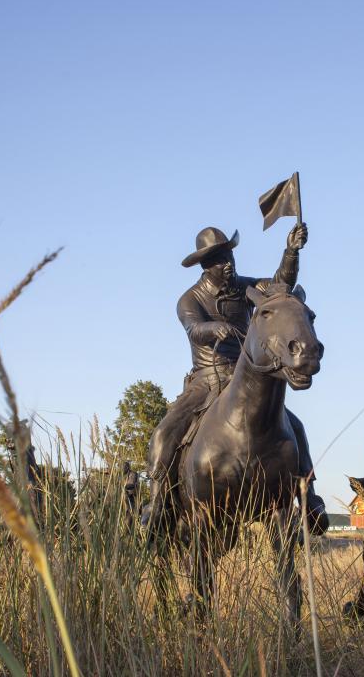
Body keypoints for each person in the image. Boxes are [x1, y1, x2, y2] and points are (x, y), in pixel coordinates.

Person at [144, 222, 328, 532]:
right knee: (164, 433)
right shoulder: (190, 299)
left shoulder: (246, 288)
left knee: (294, 426)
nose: (227, 265)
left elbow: (281, 287)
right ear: (206, 266)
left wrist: (291, 252)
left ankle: (309, 498)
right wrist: (211, 328)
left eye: (229, 257)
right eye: (219, 260)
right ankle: (158, 502)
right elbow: (193, 328)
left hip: (245, 377)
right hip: (208, 378)